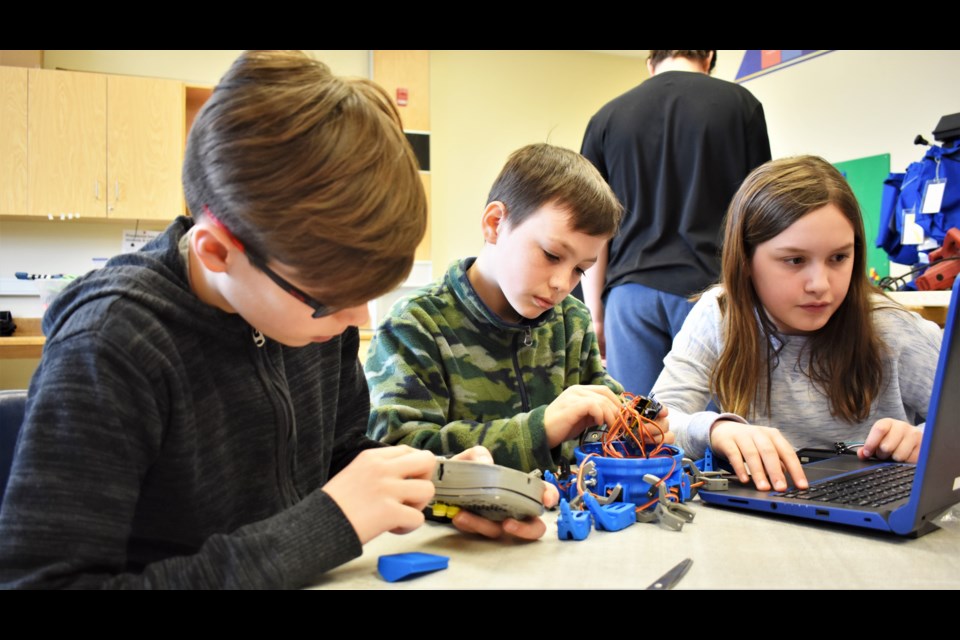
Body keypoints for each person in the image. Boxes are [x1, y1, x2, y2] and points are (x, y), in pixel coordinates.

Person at [0, 51, 552, 590]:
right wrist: (327, 525)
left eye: (366, 294)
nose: (356, 320)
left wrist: (436, 487)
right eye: (331, 299)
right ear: (218, 252)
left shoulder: (311, 318)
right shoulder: (109, 346)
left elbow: (335, 460)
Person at [366, 144, 667, 473]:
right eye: (552, 255)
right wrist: (540, 429)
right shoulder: (415, 323)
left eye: (580, 269)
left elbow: (599, 419)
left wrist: (631, 424)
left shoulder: (573, 322)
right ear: (495, 224)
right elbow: (398, 452)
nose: (562, 284)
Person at [652, 156, 943, 493]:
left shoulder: (891, 328)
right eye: (795, 260)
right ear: (745, 260)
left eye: (838, 258)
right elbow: (656, 421)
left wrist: (926, 437)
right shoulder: (719, 313)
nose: (820, 284)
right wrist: (714, 429)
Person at [580, 50, 771, 396]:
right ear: (710, 56)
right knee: (714, 435)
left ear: (650, 61)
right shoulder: (741, 107)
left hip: (629, 297)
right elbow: (761, 216)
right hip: (713, 295)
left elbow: (589, 228)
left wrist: (594, 314)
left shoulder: (606, 118)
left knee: (635, 433)